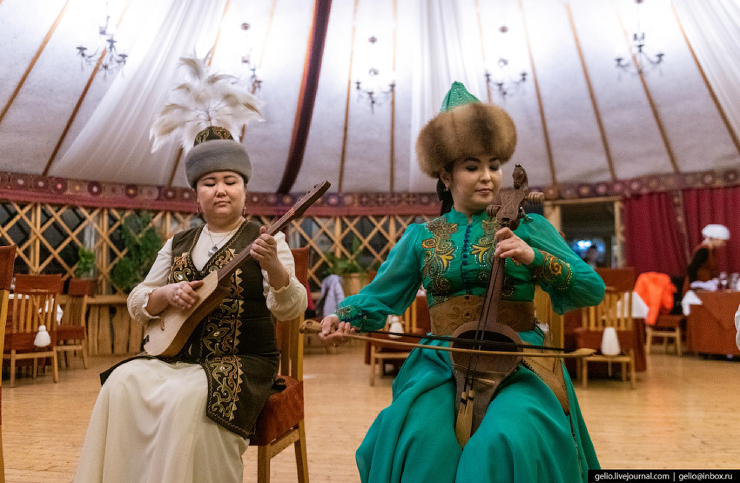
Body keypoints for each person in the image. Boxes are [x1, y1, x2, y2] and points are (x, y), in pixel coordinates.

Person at [320, 82, 605, 483]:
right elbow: (380, 296)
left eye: (494, 165)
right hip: (441, 361)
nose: (487, 177)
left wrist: (535, 258)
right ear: (445, 174)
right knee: (419, 440)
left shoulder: (529, 227)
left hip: (519, 358)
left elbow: (592, 288)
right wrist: (345, 316)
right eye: (472, 167)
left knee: (505, 439)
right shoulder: (421, 237)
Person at [74, 126, 307, 483]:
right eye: (209, 183)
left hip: (242, 361)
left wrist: (273, 265)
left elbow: (292, 308)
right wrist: (165, 295)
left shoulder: (265, 239)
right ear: (197, 195)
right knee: (120, 383)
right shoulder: (177, 243)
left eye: (230, 181)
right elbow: (137, 300)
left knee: (189, 399)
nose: (220, 190)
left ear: (245, 191)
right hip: (178, 358)